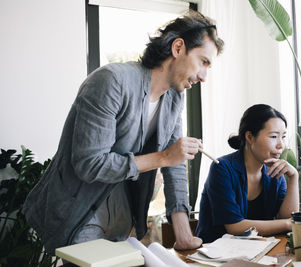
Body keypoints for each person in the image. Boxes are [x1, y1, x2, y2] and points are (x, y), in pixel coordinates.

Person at [22, 10, 224, 255]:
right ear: (178, 47)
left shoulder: (174, 99)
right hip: (79, 208)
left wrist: (183, 234)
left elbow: (176, 164)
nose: (204, 76)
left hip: (122, 212)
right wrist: (162, 157)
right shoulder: (111, 81)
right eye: (203, 62)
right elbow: (89, 163)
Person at [195, 104, 299, 243]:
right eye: (274, 136)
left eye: (283, 137)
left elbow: (286, 216)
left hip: (258, 251)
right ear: (250, 137)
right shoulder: (222, 168)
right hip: (216, 254)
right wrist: (288, 224)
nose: (281, 145)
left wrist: (294, 177)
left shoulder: (274, 171)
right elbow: (235, 226)